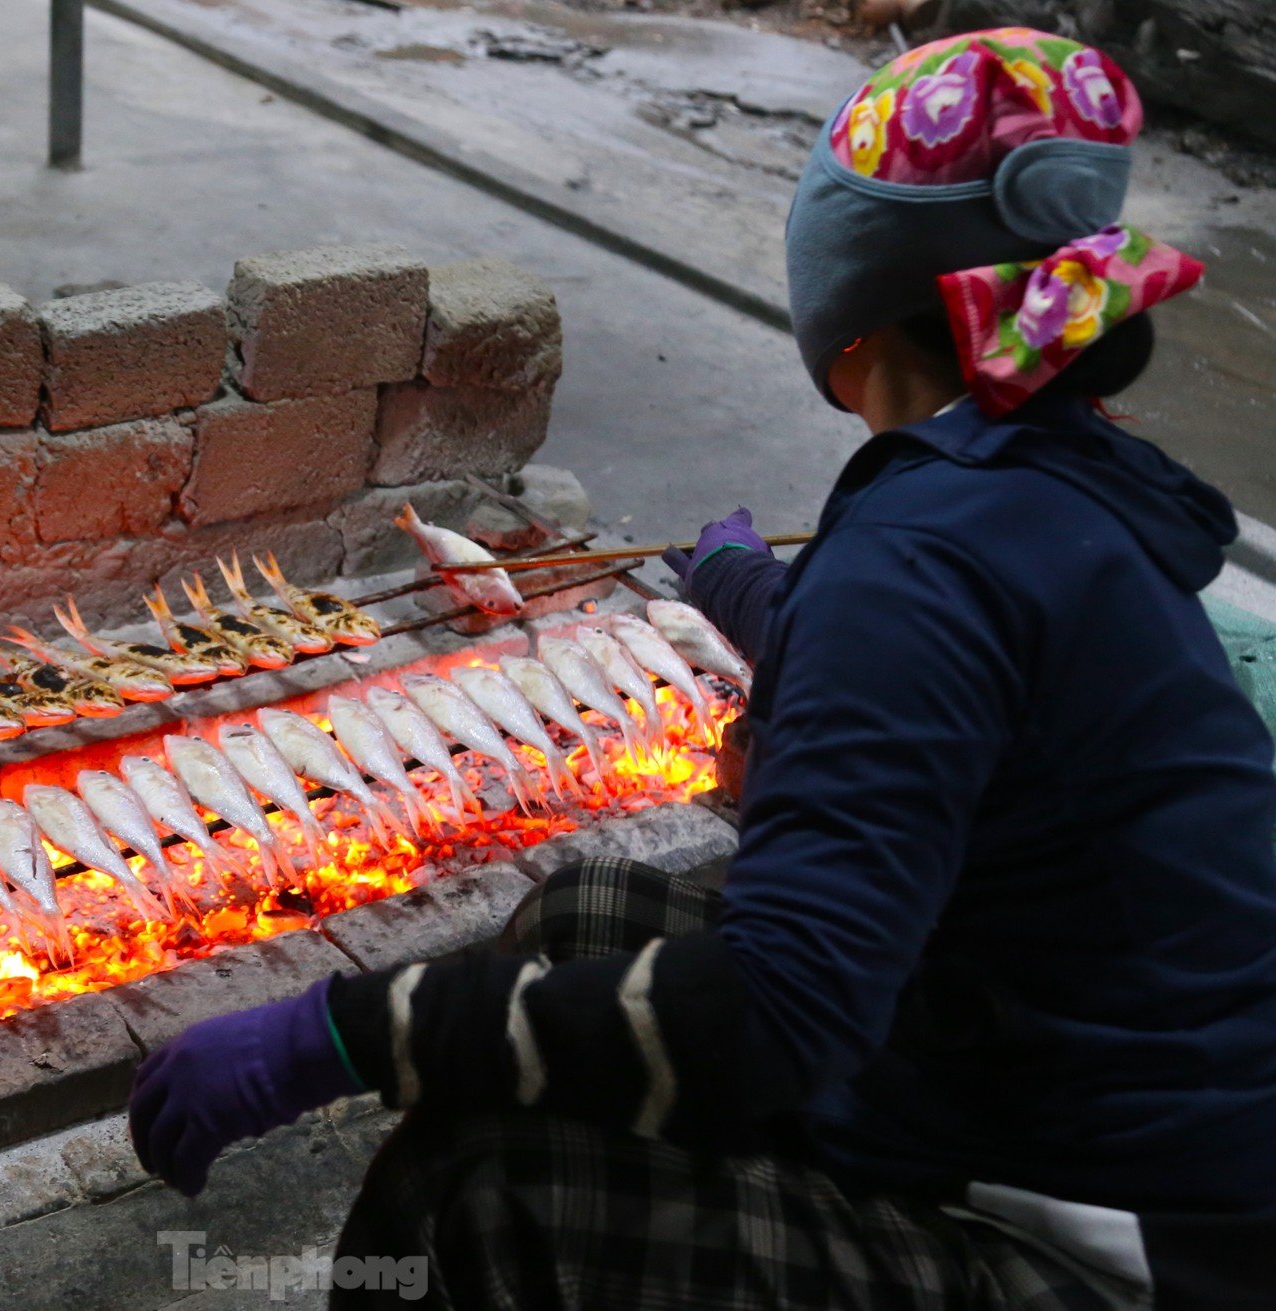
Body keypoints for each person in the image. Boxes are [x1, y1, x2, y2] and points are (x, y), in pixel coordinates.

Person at [128, 29, 1276, 1309]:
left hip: (1125, 1237)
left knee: (499, 1177)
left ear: (846, 296)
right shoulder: (1046, 466)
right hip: (1029, 1068)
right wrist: (759, 601)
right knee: (585, 917)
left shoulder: (915, 558)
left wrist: (339, 1033)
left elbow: (779, 1017)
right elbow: (956, 682)